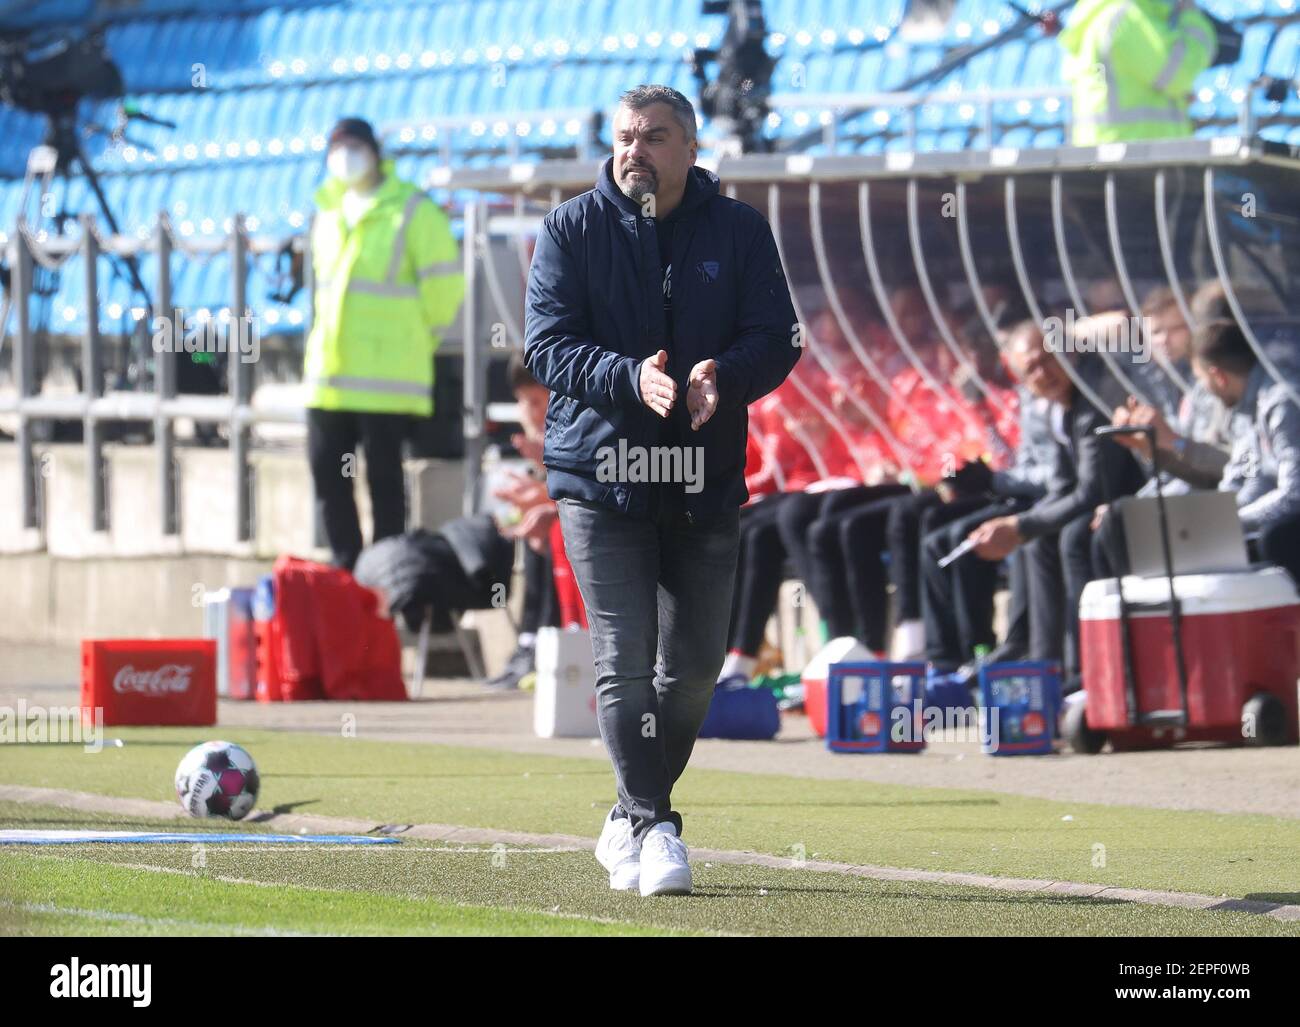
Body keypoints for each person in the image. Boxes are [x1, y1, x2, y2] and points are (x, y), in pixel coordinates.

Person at [523, 85, 799, 897]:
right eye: (623, 136)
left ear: (690, 148)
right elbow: (547, 345)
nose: (633, 150)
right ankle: (653, 825)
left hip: (702, 474)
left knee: (695, 668)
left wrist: (728, 374)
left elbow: (777, 336)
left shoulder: (740, 230)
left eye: (653, 136)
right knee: (623, 660)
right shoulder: (571, 228)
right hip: (600, 474)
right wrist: (623, 376)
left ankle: (629, 810)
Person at [304, 117, 464, 571]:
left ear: (375, 151)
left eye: (354, 145)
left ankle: (386, 575)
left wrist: (414, 339)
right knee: (328, 479)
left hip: (387, 378)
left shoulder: (411, 210)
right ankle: (347, 572)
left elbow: (445, 290)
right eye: (338, 147)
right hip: (330, 377)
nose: (346, 156)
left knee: (385, 482)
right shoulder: (328, 211)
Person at [966, 321, 1144, 692]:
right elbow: (1063, 485)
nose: (1043, 374)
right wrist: (1022, 524)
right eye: (1030, 369)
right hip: (1097, 504)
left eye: (1049, 360)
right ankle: (1045, 667)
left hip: (1135, 504)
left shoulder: (1093, 400)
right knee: (1037, 541)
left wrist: (1021, 525)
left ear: (1070, 353)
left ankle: (1086, 666)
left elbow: (1094, 491)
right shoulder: (1057, 408)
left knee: (1071, 538)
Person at [1060, 0, 1217, 145]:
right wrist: (1192, 17)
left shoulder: (1101, 13)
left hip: (1115, 151)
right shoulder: (1127, 17)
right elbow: (1179, 75)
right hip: (1133, 155)